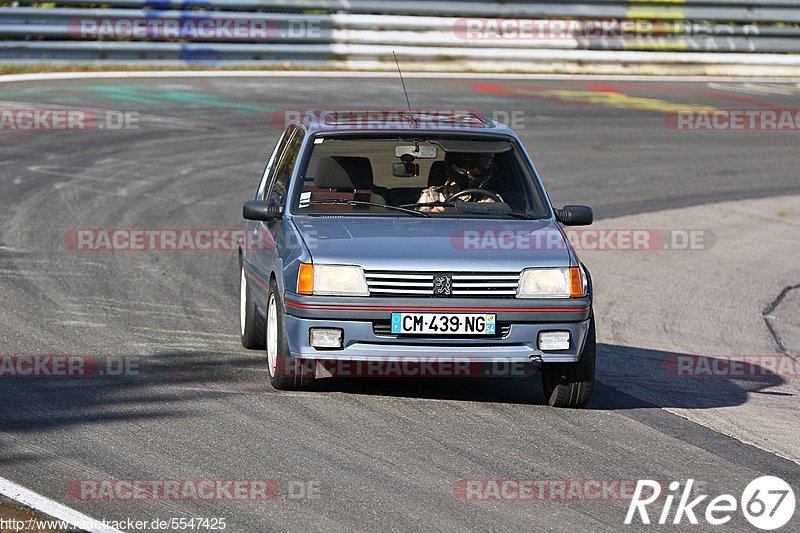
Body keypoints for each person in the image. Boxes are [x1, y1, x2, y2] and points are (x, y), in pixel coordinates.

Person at [417, 152, 498, 212]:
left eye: (483, 165)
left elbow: (501, 226)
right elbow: (420, 227)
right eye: (470, 165)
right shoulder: (432, 195)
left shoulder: (490, 198)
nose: (476, 171)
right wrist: (434, 216)